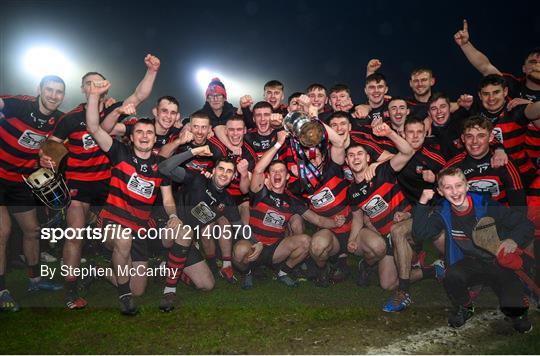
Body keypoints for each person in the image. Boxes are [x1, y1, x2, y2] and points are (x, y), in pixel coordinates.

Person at [42, 54, 160, 309]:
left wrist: (151, 71)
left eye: (100, 83)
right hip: (80, 184)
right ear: (83, 89)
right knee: (75, 234)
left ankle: (116, 276)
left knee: (119, 237)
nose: (95, 87)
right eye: (90, 84)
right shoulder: (71, 118)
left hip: (109, 186)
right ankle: (71, 291)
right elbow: (51, 147)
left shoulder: (112, 111)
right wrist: (47, 160)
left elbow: (139, 96)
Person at [85, 80, 179, 316]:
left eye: (149, 133)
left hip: (139, 230)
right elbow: (94, 128)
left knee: (138, 288)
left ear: (155, 138)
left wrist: (174, 216)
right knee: (123, 239)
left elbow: (167, 199)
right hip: (111, 224)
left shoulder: (161, 166)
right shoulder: (119, 153)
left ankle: (96, 269)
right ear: (132, 136)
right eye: (139, 132)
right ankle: (124, 297)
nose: (145, 136)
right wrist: (95, 96)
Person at [412, 167, 534, 333]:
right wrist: (422, 202)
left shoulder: (485, 204)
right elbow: (420, 233)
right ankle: (466, 307)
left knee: (513, 311)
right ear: (440, 191)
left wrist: (513, 240)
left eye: (458, 185)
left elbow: (525, 224)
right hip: (472, 262)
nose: (455, 192)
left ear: (467, 186)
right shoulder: (443, 211)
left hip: (498, 261)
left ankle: (519, 308)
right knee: (452, 275)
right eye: (448, 187)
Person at [233, 130, 345, 289]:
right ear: (268, 176)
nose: (277, 174)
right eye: (273, 172)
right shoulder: (260, 192)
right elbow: (258, 170)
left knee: (306, 241)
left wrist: (335, 223)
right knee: (239, 251)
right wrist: (278, 143)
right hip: (253, 244)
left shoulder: (292, 201)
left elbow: (317, 220)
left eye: (281, 171)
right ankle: (247, 273)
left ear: (287, 177)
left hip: (275, 251)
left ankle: (283, 271)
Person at [346, 122, 439, 312]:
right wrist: (353, 238)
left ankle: (404, 292)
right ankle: (432, 270)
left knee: (397, 231)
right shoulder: (352, 191)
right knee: (388, 283)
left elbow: (407, 152)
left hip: (409, 225)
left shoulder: (382, 172)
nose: (356, 158)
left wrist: (389, 133)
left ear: (368, 158)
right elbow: (357, 217)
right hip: (386, 238)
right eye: (351, 155)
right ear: (346, 161)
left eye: (360, 154)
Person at [158, 151, 258, 312]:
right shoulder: (197, 179)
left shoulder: (227, 200)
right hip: (164, 228)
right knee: (185, 231)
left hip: (184, 241)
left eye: (229, 171)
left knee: (207, 285)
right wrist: (193, 152)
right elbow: (164, 167)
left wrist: (256, 242)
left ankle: (165, 267)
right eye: (221, 169)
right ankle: (169, 291)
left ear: (233, 177)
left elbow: (240, 227)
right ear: (214, 171)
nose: (224, 174)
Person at [0, 75, 66, 312]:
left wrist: (47, 159)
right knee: (3, 231)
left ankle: (35, 281)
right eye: (49, 90)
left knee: (32, 230)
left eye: (59, 92)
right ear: (39, 89)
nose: (53, 95)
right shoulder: (20, 104)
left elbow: (50, 153)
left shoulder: (59, 121)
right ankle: (1, 290)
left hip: (20, 182)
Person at [445, 116, 526, 210]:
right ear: (463, 138)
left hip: (502, 219)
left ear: (491, 137)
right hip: (468, 219)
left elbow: (519, 207)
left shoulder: (504, 162)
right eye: (469, 136)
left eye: (481, 136)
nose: (474, 141)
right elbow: (441, 204)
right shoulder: (452, 167)